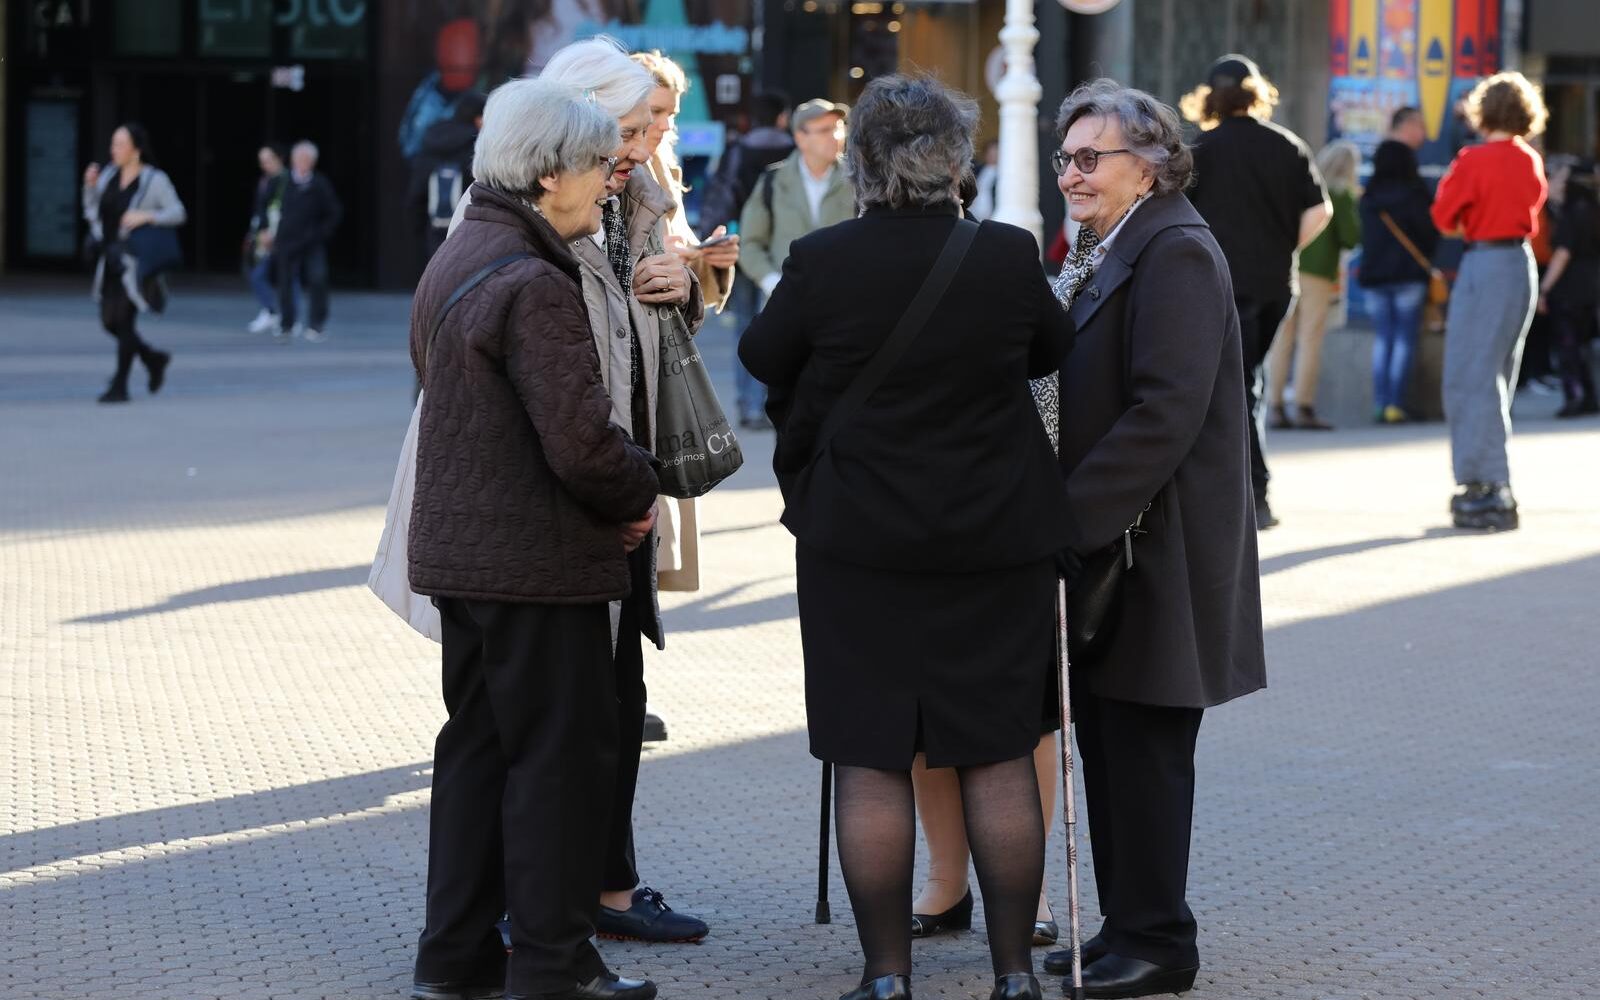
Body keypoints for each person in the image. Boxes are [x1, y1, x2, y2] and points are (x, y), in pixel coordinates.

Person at [741, 74, 1075, 1000]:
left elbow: (762, 356)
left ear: (861, 163)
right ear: (957, 162)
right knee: (999, 750)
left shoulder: (823, 259)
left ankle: (887, 976)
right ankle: (1014, 975)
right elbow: (1052, 350)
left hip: (860, 544)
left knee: (871, 754)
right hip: (996, 541)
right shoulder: (1005, 254)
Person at [408, 77, 662, 1000]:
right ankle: (553, 964)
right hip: (538, 564)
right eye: (598, 163)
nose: (609, 178)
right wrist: (641, 489)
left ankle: (454, 960)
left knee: (476, 755)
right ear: (550, 173)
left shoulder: (458, 254)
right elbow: (583, 443)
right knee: (556, 766)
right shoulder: (535, 281)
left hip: (465, 559)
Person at [1040, 79, 1266, 999]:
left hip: (1157, 551)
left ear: (1151, 164)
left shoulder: (1174, 250)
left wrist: (1067, 519)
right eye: (1065, 158)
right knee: (1111, 743)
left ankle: (1161, 942)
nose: (1071, 175)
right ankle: (1127, 924)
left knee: (1145, 751)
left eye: (1090, 158)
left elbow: (1164, 412)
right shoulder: (1118, 242)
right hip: (1123, 546)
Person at [539, 37, 711, 947]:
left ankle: (609, 888)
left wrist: (684, 284)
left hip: (624, 477)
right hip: (562, 496)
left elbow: (659, 318)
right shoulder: (533, 210)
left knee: (618, 694)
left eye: (652, 129)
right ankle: (543, 907)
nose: (646, 146)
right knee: (555, 714)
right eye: (634, 129)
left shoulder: (636, 195)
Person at [1183, 54, 1332, 530]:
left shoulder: (1200, 150)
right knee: (1250, 381)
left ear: (1210, 97)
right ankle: (1246, 490)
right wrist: (1285, 246)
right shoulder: (1287, 145)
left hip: (1223, 285)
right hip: (1276, 285)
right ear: (1256, 93)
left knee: (1238, 386)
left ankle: (1254, 493)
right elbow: (1320, 211)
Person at [1431, 71, 1549, 531]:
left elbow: (1444, 216)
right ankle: (1489, 480)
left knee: (1469, 376)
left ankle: (1487, 484)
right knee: (1497, 374)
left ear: (1484, 111)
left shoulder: (1473, 160)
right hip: (1519, 263)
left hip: (1485, 262)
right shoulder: (1529, 159)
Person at [737, 98, 857, 428]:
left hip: (843, 305)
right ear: (800, 137)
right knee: (787, 400)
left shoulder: (858, 180)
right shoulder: (774, 181)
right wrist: (771, 281)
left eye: (838, 128)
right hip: (787, 303)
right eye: (824, 130)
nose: (836, 136)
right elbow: (750, 243)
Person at [697, 91, 794, 429]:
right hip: (785, 254)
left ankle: (749, 404)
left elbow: (719, 198)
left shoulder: (738, 151)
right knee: (783, 328)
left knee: (745, 327)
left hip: (743, 251)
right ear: (782, 117)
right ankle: (772, 401)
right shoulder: (795, 152)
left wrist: (707, 242)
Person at [81, 123, 184, 404]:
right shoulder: (108, 175)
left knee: (124, 321)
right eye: (113, 143)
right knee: (109, 322)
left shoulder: (154, 180)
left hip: (135, 262)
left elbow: (178, 212)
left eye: (119, 144)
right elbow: (92, 211)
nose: (113, 149)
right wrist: (89, 186)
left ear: (136, 150)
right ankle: (153, 359)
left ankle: (120, 386)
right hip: (110, 258)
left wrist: (146, 216)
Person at [1269, 139, 1361, 430]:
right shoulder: (1341, 194)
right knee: (1310, 339)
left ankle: (1274, 405)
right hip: (1318, 273)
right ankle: (1303, 406)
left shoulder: (1302, 187)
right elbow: (1351, 237)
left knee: (1282, 338)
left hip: (1288, 263)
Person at [1358, 136, 1440, 424]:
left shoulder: (1369, 196)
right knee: (1404, 339)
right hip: (1409, 274)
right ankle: (1395, 403)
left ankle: (1380, 403)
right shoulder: (1415, 193)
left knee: (1383, 339)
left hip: (1375, 275)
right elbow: (1430, 233)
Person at [1537, 159, 1600, 418]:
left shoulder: (1572, 213)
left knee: (1568, 346)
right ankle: (1589, 395)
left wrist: (1544, 289)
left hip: (1570, 289)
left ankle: (1575, 395)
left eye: (1561, 179)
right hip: (1592, 286)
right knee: (1584, 346)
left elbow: (1563, 253)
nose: (1556, 185)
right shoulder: (1593, 209)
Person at [273, 140, 342, 344]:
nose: (303, 163)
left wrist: (322, 233)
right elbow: (266, 205)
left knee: (318, 278)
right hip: (286, 241)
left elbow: (334, 212)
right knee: (285, 283)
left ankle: (316, 324)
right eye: (299, 159)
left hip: (312, 241)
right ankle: (287, 324)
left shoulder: (319, 183)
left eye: (307, 159)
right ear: (293, 160)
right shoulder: (282, 182)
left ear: (313, 162)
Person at [407, 91, 486, 266]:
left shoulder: (431, 142)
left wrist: (419, 228)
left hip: (435, 229)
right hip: (471, 230)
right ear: (477, 118)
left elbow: (417, 195)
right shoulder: (477, 148)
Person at [246, 144, 289, 334]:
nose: (264, 165)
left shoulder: (286, 180)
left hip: (279, 235)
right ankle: (272, 311)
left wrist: (271, 233)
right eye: (262, 161)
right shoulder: (266, 180)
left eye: (268, 160)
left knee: (286, 276)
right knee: (257, 272)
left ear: (280, 158)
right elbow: (260, 208)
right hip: (263, 233)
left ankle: (282, 315)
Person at [969, 138, 1001, 220]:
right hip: (973, 214)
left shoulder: (1004, 173)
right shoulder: (977, 169)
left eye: (995, 151)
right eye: (989, 152)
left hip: (993, 216)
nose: (992, 155)